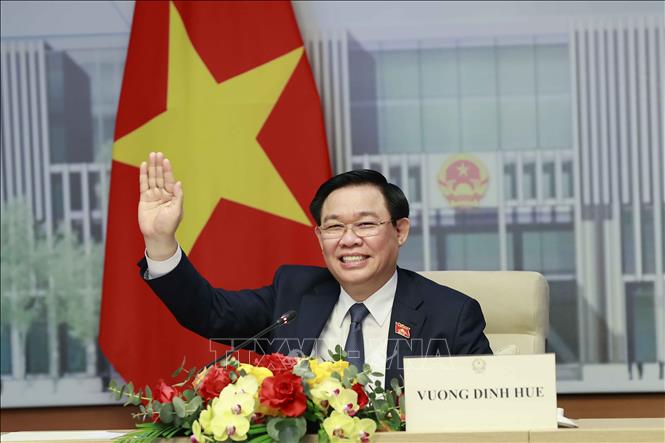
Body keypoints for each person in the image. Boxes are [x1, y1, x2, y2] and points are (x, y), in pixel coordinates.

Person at [138, 152, 491, 385]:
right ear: (320, 237)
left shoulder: (451, 315)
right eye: (334, 227)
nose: (349, 240)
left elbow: (488, 408)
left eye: (366, 224)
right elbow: (208, 312)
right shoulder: (293, 295)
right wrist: (159, 240)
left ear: (400, 231)